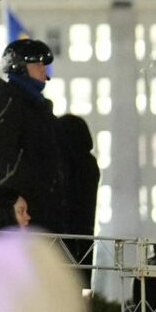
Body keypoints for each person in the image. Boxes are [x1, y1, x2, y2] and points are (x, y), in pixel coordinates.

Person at [0, 39, 66, 235]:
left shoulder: (38, 106)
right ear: (20, 67)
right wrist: (18, 205)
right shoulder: (5, 100)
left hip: (41, 210)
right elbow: (3, 154)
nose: (43, 68)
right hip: (21, 214)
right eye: (37, 63)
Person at [57, 113, 100, 288]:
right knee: (81, 285)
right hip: (85, 235)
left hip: (64, 234)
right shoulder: (90, 164)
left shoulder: (64, 164)